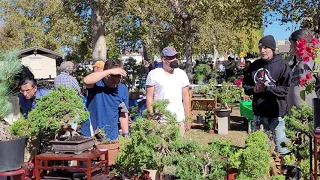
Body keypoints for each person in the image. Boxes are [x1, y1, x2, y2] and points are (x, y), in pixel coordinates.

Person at [242, 35, 291, 155]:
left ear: (272, 49)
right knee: (260, 149)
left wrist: (268, 88)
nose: (262, 51)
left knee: (282, 148)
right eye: (260, 48)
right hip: (259, 113)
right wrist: (254, 89)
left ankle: (284, 170)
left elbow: (286, 89)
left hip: (277, 113)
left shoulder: (283, 65)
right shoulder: (254, 66)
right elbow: (245, 86)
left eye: (266, 48)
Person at [146, 46, 191, 137]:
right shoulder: (154, 74)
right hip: (160, 121)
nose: (174, 59)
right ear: (163, 59)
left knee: (178, 149)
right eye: (171, 57)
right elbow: (149, 97)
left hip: (178, 120)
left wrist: (188, 118)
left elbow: (186, 98)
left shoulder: (181, 74)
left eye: (176, 57)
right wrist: (151, 119)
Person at [83, 59, 129, 140]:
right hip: (90, 135)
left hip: (111, 137)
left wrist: (126, 134)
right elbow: (86, 80)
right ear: (108, 74)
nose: (120, 77)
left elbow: (123, 114)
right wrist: (109, 71)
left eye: (121, 74)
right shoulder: (96, 84)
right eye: (116, 74)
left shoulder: (123, 89)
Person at [287, 29, 318, 110]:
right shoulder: (296, 64)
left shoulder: (314, 61)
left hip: (309, 117)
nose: (290, 47)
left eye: (291, 44)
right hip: (294, 117)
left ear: (297, 43)